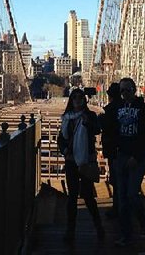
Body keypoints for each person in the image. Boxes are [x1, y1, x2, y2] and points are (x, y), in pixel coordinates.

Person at [57, 88, 104, 242]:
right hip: (71, 161)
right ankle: (70, 231)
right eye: (75, 97)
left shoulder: (89, 115)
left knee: (88, 196)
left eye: (80, 97)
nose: (78, 100)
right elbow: (61, 139)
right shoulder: (66, 118)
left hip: (86, 160)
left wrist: (88, 122)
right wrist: (64, 151)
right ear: (71, 100)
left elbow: (97, 130)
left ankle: (99, 228)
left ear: (84, 100)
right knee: (72, 197)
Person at [112, 77, 145, 247]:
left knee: (131, 194)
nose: (124, 93)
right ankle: (126, 234)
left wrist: (135, 157)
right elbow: (112, 130)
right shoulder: (118, 107)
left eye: (127, 90)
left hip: (138, 156)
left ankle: (144, 225)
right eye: (121, 91)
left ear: (134, 90)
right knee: (122, 197)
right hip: (121, 156)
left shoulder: (143, 109)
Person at [99, 82, 122, 220]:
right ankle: (121, 207)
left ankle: (118, 208)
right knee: (122, 179)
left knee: (116, 179)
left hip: (113, 149)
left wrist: (101, 119)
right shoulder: (124, 108)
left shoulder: (110, 110)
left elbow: (105, 127)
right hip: (123, 149)